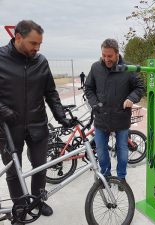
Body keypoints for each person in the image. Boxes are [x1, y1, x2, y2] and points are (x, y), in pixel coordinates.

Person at [0, 20, 74, 224]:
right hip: (8, 127)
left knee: (40, 167)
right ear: (18, 38)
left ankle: (38, 201)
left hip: (37, 125)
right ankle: (20, 207)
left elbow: (51, 93)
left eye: (39, 44)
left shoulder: (41, 61)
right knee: (14, 172)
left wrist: (61, 116)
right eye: (33, 43)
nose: (37, 48)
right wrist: (3, 111)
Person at [84, 38, 144, 183]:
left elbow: (140, 87)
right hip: (101, 118)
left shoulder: (128, 69)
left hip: (121, 117)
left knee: (122, 150)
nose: (106, 59)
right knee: (101, 151)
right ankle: (105, 176)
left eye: (109, 56)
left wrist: (131, 98)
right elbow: (88, 88)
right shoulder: (96, 68)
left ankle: (121, 177)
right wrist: (95, 104)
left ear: (117, 54)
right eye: (104, 55)